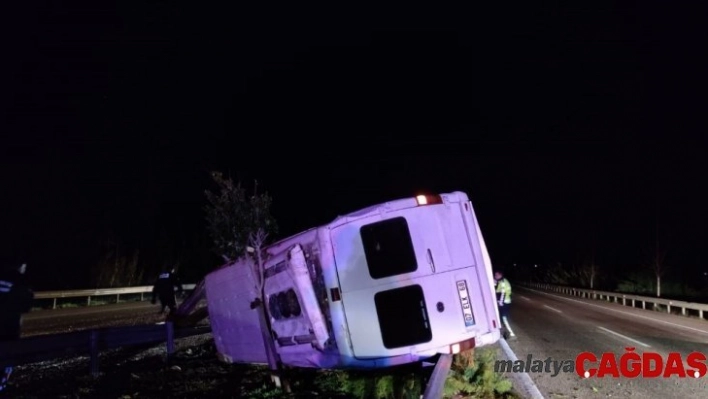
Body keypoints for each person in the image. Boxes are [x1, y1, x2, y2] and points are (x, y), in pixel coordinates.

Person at [0, 263, 34, 393]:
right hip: (8, 331)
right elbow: (27, 304)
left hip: (8, 330)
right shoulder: (18, 282)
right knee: (6, 362)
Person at [494, 270, 516, 340]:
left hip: (504, 302)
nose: (495, 276)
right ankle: (504, 332)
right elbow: (497, 290)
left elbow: (503, 293)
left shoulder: (503, 282)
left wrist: (500, 303)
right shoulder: (501, 281)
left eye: (496, 275)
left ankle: (512, 334)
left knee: (504, 318)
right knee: (501, 318)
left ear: (500, 275)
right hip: (504, 302)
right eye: (495, 275)